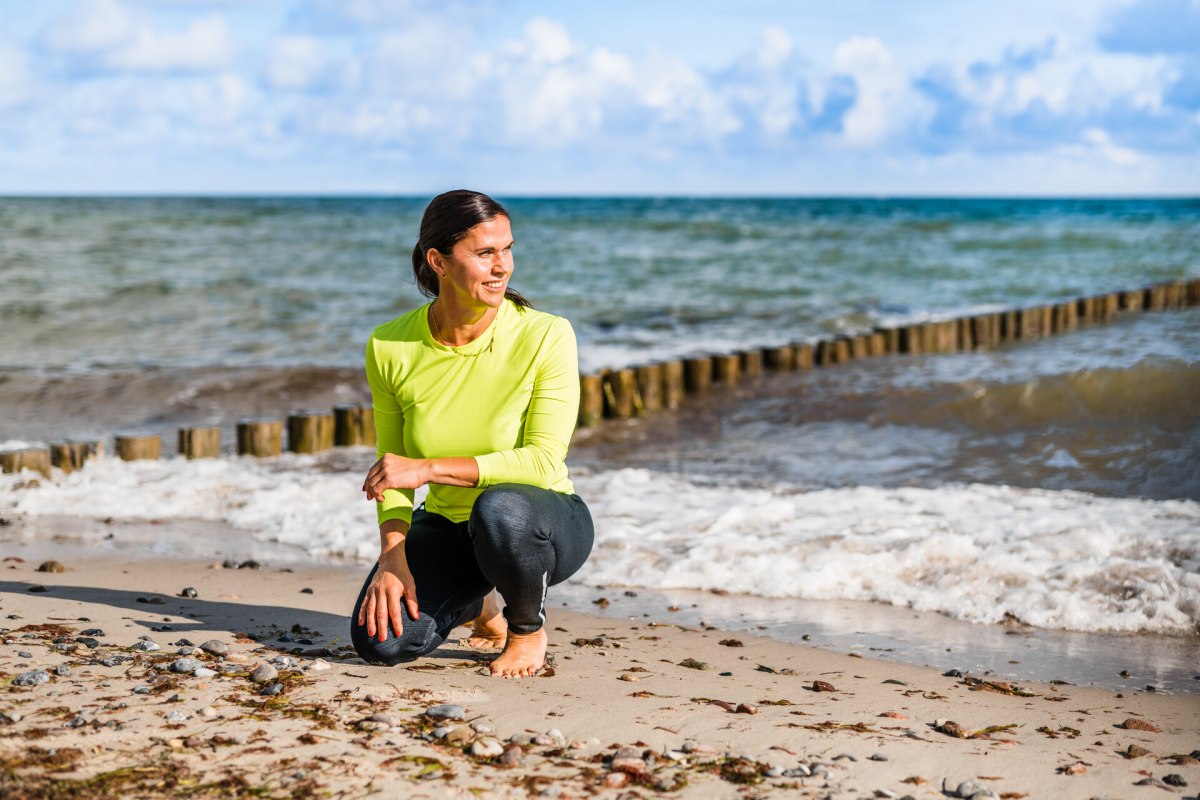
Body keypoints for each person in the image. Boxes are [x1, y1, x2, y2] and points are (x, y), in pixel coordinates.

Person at [351, 189, 594, 678]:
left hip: (539, 526)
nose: (502, 266)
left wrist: (430, 468)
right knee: (381, 642)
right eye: (485, 253)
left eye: (507, 249)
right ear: (438, 261)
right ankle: (482, 610)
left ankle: (526, 628)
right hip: (450, 527)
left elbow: (543, 462)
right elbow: (391, 471)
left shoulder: (546, 334)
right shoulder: (389, 345)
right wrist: (392, 557)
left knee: (499, 506)